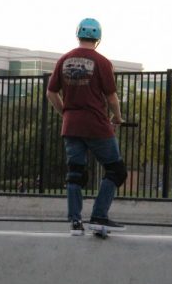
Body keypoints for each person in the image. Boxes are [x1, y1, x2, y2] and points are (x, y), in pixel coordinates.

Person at [46, 18, 126, 236]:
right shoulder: (102, 62)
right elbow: (111, 97)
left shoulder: (64, 60)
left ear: (78, 35)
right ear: (98, 39)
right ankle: (99, 216)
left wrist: (66, 113)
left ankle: (75, 223)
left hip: (71, 126)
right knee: (116, 170)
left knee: (75, 173)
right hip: (96, 125)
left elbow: (51, 93)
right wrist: (117, 117)